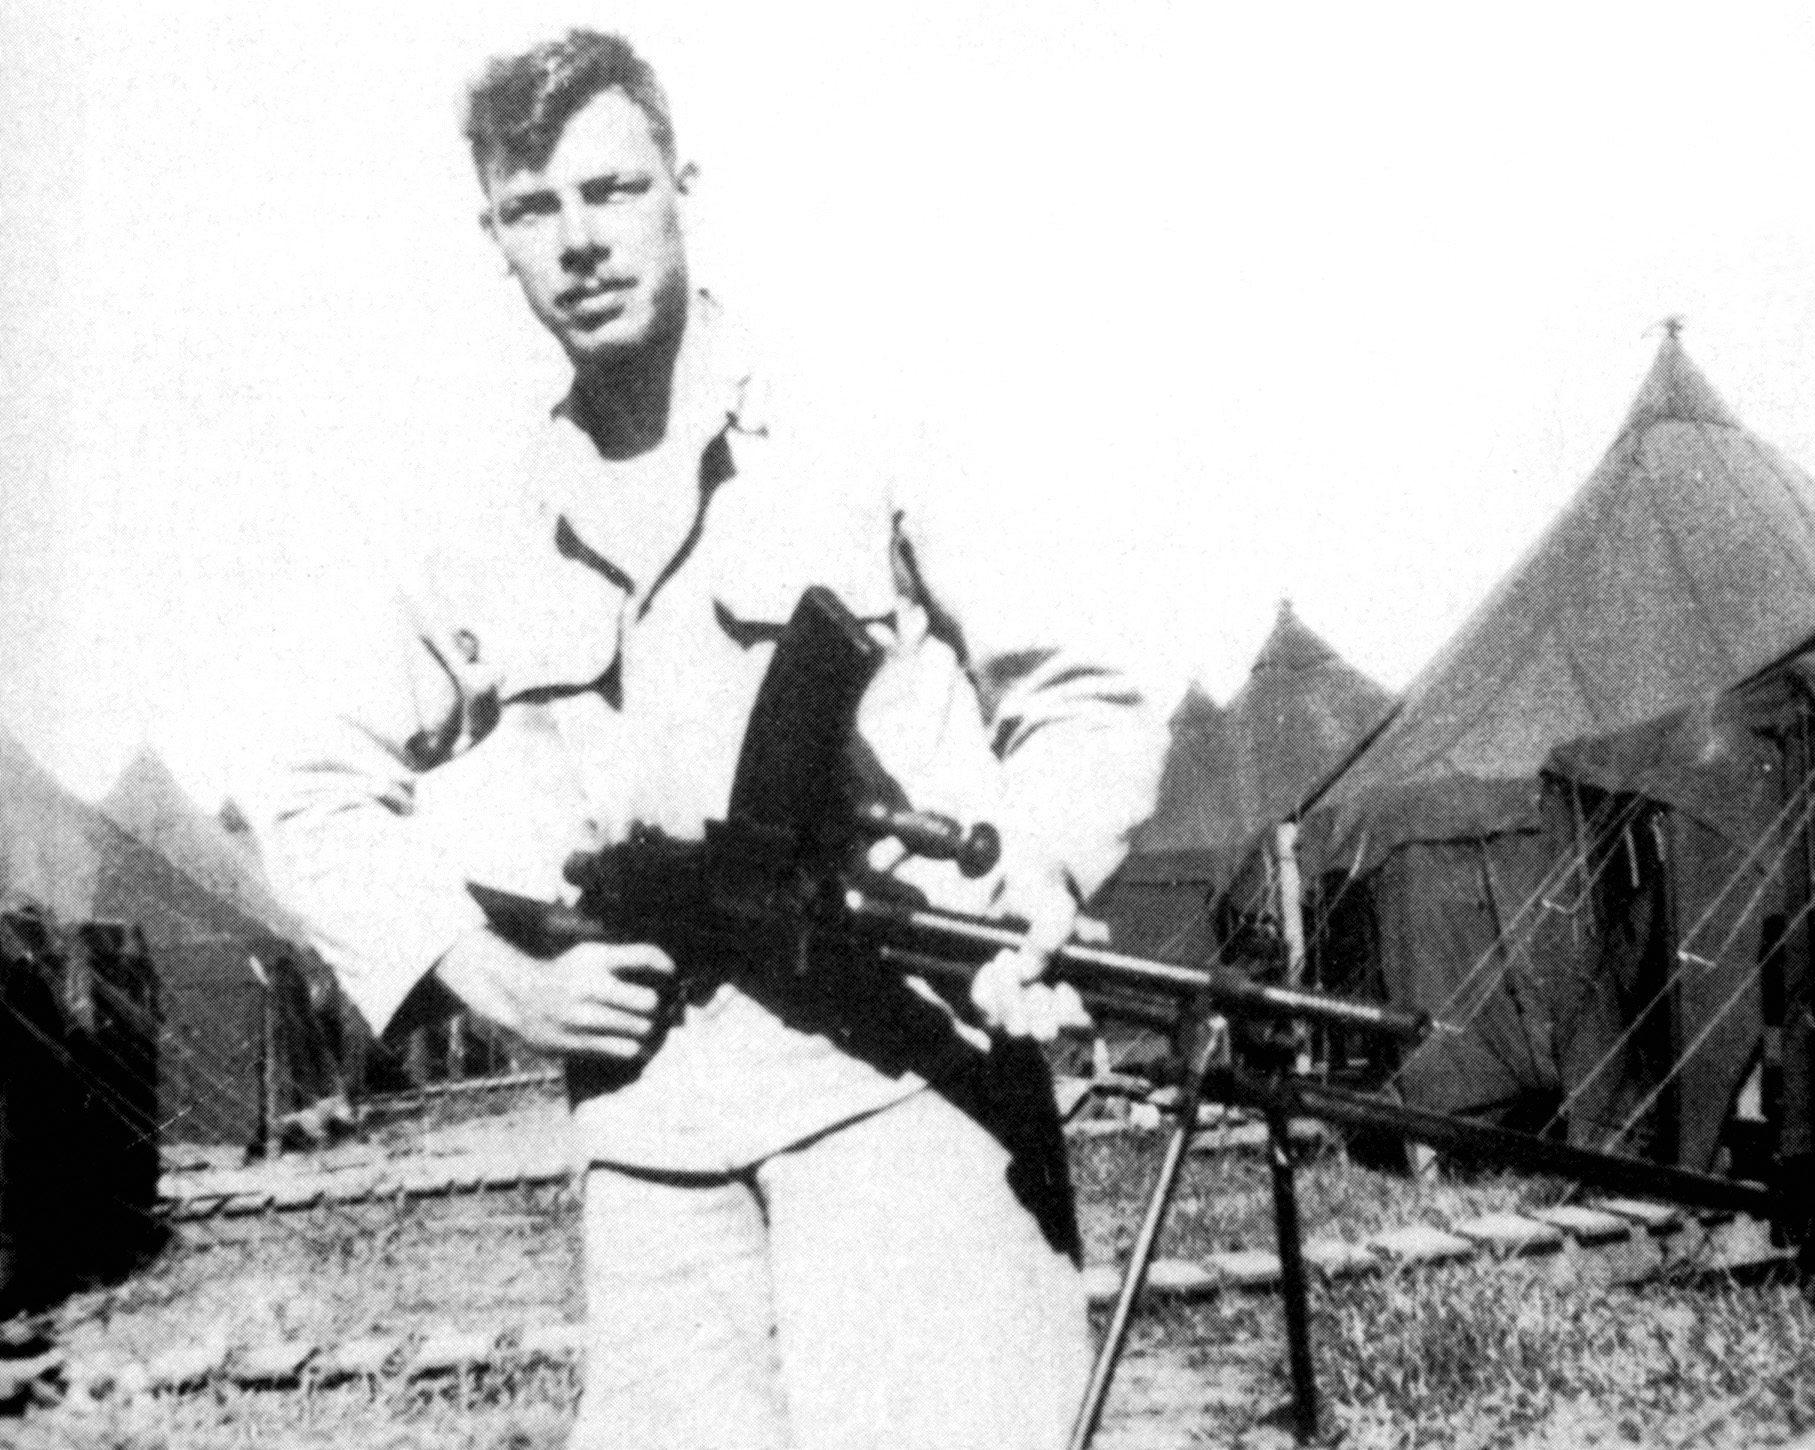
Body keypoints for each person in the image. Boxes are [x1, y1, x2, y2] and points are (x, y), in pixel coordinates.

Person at [261, 29, 1164, 1450]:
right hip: (655, 1138)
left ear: (685, 181)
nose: (579, 242)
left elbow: (1081, 692)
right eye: (533, 210)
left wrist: (1039, 880)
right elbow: (309, 787)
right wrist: (488, 973)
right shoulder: (487, 525)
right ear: (492, 236)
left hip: (901, 1082)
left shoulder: (859, 425)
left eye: (612, 190)